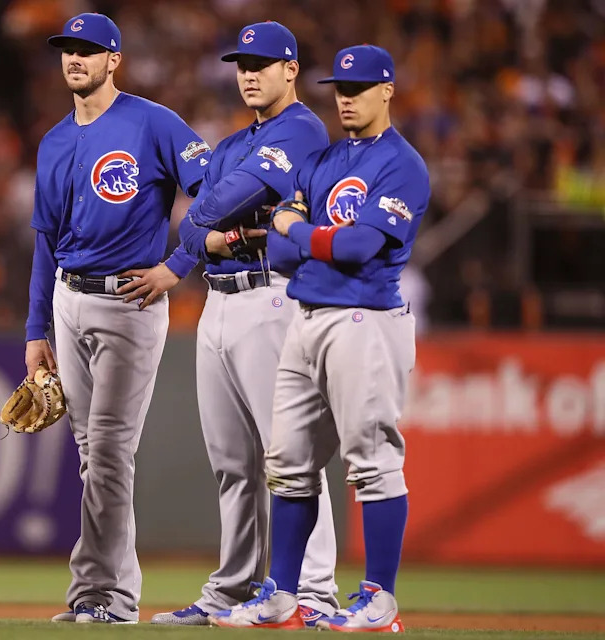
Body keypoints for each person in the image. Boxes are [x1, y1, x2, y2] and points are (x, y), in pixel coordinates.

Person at [211, 44, 429, 632]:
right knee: (287, 463)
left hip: (366, 321)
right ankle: (282, 595)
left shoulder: (401, 164)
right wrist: (311, 236)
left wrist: (299, 227)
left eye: (358, 89)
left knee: (373, 463)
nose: (346, 98)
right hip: (305, 317)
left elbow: (358, 247)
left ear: (387, 90)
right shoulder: (325, 159)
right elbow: (283, 253)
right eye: (340, 89)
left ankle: (380, 600)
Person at [146, 22, 338, 627]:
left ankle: (313, 592)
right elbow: (195, 226)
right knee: (231, 463)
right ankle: (233, 589)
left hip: (272, 298)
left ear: (290, 69)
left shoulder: (302, 129)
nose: (249, 74)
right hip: (219, 303)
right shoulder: (233, 143)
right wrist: (213, 236)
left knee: (290, 453)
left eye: (262, 63)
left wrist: (208, 229)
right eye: (242, 64)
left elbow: (211, 208)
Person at [25, 13, 210, 624]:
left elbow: (213, 193)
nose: (75, 59)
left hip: (131, 300)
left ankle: (103, 595)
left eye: (88, 50)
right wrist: (35, 330)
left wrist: (177, 265)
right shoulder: (54, 140)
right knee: (93, 455)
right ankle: (106, 595)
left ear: (114, 60)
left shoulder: (153, 122)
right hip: (68, 297)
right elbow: (45, 242)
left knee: (107, 451)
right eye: (67, 50)